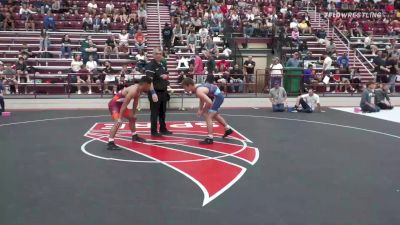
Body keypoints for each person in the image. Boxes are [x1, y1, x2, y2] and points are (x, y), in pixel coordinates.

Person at [181, 77, 233, 144]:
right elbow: (202, 99)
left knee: (208, 116)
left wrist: (203, 110)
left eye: (185, 87)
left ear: (189, 85)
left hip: (216, 98)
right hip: (216, 96)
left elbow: (209, 102)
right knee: (215, 114)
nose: (185, 89)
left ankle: (210, 138)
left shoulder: (198, 91)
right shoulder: (197, 86)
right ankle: (228, 129)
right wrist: (200, 109)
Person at [106, 77, 152, 150]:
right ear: (145, 84)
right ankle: (110, 142)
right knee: (118, 122)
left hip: (121, 104)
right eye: (149, 86)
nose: (150, 88)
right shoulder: (133, 90)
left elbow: (135, 102)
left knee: (132, 118)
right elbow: (124, 105)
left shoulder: (139, 90)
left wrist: (134, 113)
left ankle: (134, 136)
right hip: (114, 104)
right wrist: (120, 118)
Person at [145, 47, 172, 137]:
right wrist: (153, 93)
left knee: (162, 112)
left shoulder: (162, 64)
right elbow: (149, 81)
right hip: (155, 92)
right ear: (153, 55)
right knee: (154, 113)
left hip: (163, 92)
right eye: (156, 53)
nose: (158, 55)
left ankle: (163, 129)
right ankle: (154, 131)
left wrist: (167, 81)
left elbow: (166, 76)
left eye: (160, 53)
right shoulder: (150, 65)